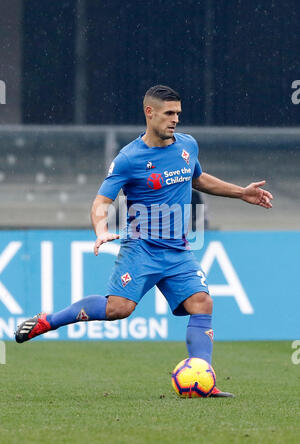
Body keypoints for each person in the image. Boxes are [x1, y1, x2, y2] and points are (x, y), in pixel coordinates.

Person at [15, 85, 273, 397]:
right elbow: (101, 203)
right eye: (168, 113)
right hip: (142, 248)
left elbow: (198, 178)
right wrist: (100, 230)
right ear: (149, 113)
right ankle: (49, 321)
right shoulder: (129, 158)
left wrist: (241, 192)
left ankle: (202, 380)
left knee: (202, 302)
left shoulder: (188, 145)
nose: (175, 119)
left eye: (177, 113)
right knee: (118, 309)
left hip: (178, 249)